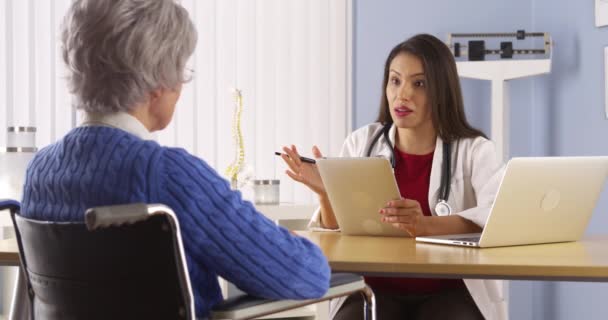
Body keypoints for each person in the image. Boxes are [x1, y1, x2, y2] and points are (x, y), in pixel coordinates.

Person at [20, 0, 330, 318]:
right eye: (181, 69)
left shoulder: (39, 174)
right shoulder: (169, 176)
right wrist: (290, 248)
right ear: (158, 83)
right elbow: (308, 275)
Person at [279, 34, 507, 320]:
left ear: (442, 91)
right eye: (395, 80)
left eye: (419, 84)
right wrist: (326, 193)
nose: (403, 95)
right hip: (374, 289)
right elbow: (339, 231)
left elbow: (496, 219)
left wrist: (425, 225)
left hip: (449, 289)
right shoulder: (361, 142)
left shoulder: (475, 150)